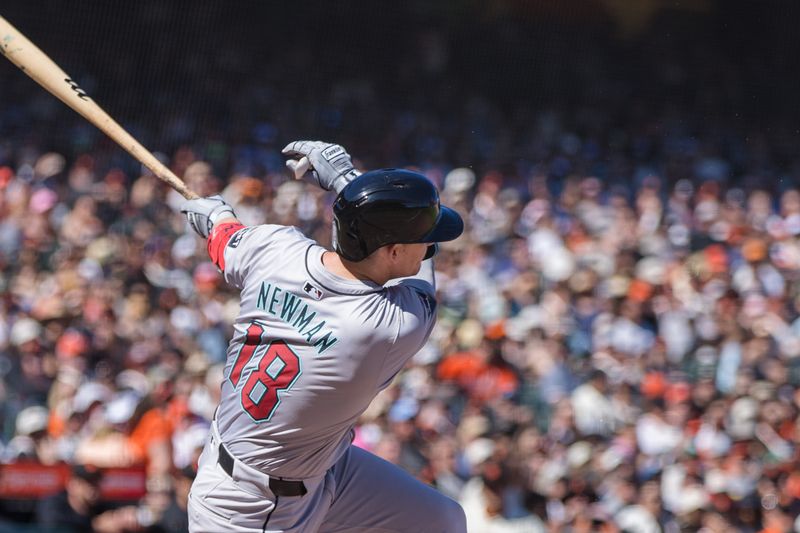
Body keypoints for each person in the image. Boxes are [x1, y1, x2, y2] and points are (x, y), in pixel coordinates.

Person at [180, 140, 467, 532]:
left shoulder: (274, 248)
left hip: (323, 466)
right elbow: (421, 281)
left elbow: (225, 237)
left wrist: (215, 218)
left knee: (442, 521)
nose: (431, 245)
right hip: (250, 509)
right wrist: (347, 179)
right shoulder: (384, 324)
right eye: (424, 238)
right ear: (395, 251)